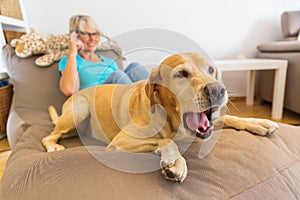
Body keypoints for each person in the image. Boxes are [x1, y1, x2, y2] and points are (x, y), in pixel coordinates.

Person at [58, 15, 149, 96]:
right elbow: (70, 90)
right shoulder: (69, 61)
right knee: (116, 75)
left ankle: (155, 102)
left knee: (135, 67)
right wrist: (72, 52)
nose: (92, 38)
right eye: (86, 34)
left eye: (95, 34)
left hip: (116, 100)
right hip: (96, 103)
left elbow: (123, 84)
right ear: (75, 36)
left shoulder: (109, 61)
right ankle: (140, 106)